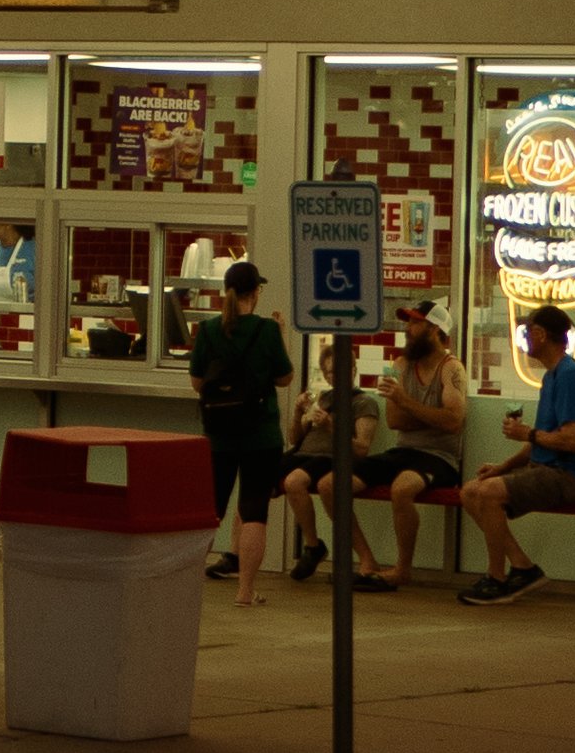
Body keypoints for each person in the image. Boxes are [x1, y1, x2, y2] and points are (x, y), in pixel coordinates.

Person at [458, 303, 575, 606]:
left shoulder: (570, 376)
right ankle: (522, 567)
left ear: (540, 334)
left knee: (490, 493)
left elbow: (573, 441)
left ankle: (497, 578)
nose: (523, 338)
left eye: (526, 331)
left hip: (571, 475)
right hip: (548, 468)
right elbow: (545, 439)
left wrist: (528, 434)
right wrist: (503, 466)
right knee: (471, 491)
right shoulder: (551, 378)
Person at [338, 306, 468, 592]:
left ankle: (402, 569)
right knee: (333, 484)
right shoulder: (401, 365)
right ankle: (367, 560)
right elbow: (395, 420)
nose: (407, 330)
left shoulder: (452, 369)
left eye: (415, 324)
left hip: (439, 457)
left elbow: (454, 421)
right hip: (404, 451)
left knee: (402, 488)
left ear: (435, 330)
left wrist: (407, 402)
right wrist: (430, 414)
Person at [188, 259, 291, 609]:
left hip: (218, 435)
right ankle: (245, 591)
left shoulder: (209, 330)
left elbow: (198, 383)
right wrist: (282, 336)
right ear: (256, 292)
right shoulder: (266, 331)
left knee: (210, 511)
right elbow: (285, 378)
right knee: (254, 510)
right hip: (260, 436)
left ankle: (188, 585)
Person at [278, 376, 379, 575]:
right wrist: (299, 413)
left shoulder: (364, 402)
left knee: (295, 482)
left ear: (352, 369)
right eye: (329, 371)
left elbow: (361, 449)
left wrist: (330, 425)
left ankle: (313, 546)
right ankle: (238, 553)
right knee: (257, 479)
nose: (334, 375)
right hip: (303, 455)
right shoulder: (323, 399)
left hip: (329, 457)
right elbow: (293, 438)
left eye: (337, 370)